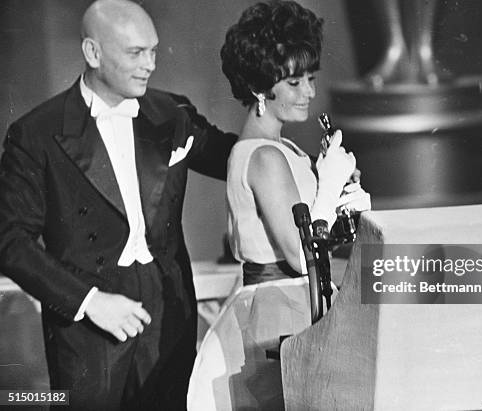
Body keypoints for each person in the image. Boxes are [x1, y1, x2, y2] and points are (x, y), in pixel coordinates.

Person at [0, 1, 236, 410]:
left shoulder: (171, 113)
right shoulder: (36, 134)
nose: (150, 65)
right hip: (89, 325)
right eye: (135, 53)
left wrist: (311, 167)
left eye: (154, 51)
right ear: (93, 53)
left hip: (168, 312)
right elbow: (9, 240)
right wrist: (91, 302)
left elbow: (235, 156)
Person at [187, 2, 369, 409]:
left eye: (311, 79)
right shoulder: (263, 158)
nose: (310, 92)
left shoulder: (281, 149)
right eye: (294, 82)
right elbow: (301, 257)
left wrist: (346, 203)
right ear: (259, 88)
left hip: (297, 308)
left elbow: (317, 241)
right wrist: (329, 187)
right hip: (276, 318)